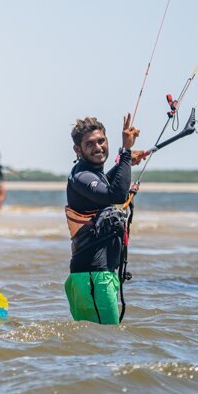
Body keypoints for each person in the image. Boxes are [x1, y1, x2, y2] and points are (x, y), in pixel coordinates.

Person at [64, 114, 145, 324]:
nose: (97, 147)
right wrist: (126, 152)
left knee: (97, 350)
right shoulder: (81, 175)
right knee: (109, 344)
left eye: (101, 141)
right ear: (77, 150)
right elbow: (115, 195)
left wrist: (124, 163)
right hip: (94, 279)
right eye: (89, 144)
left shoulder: (90, 174)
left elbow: (105, 184)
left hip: (94, 279)